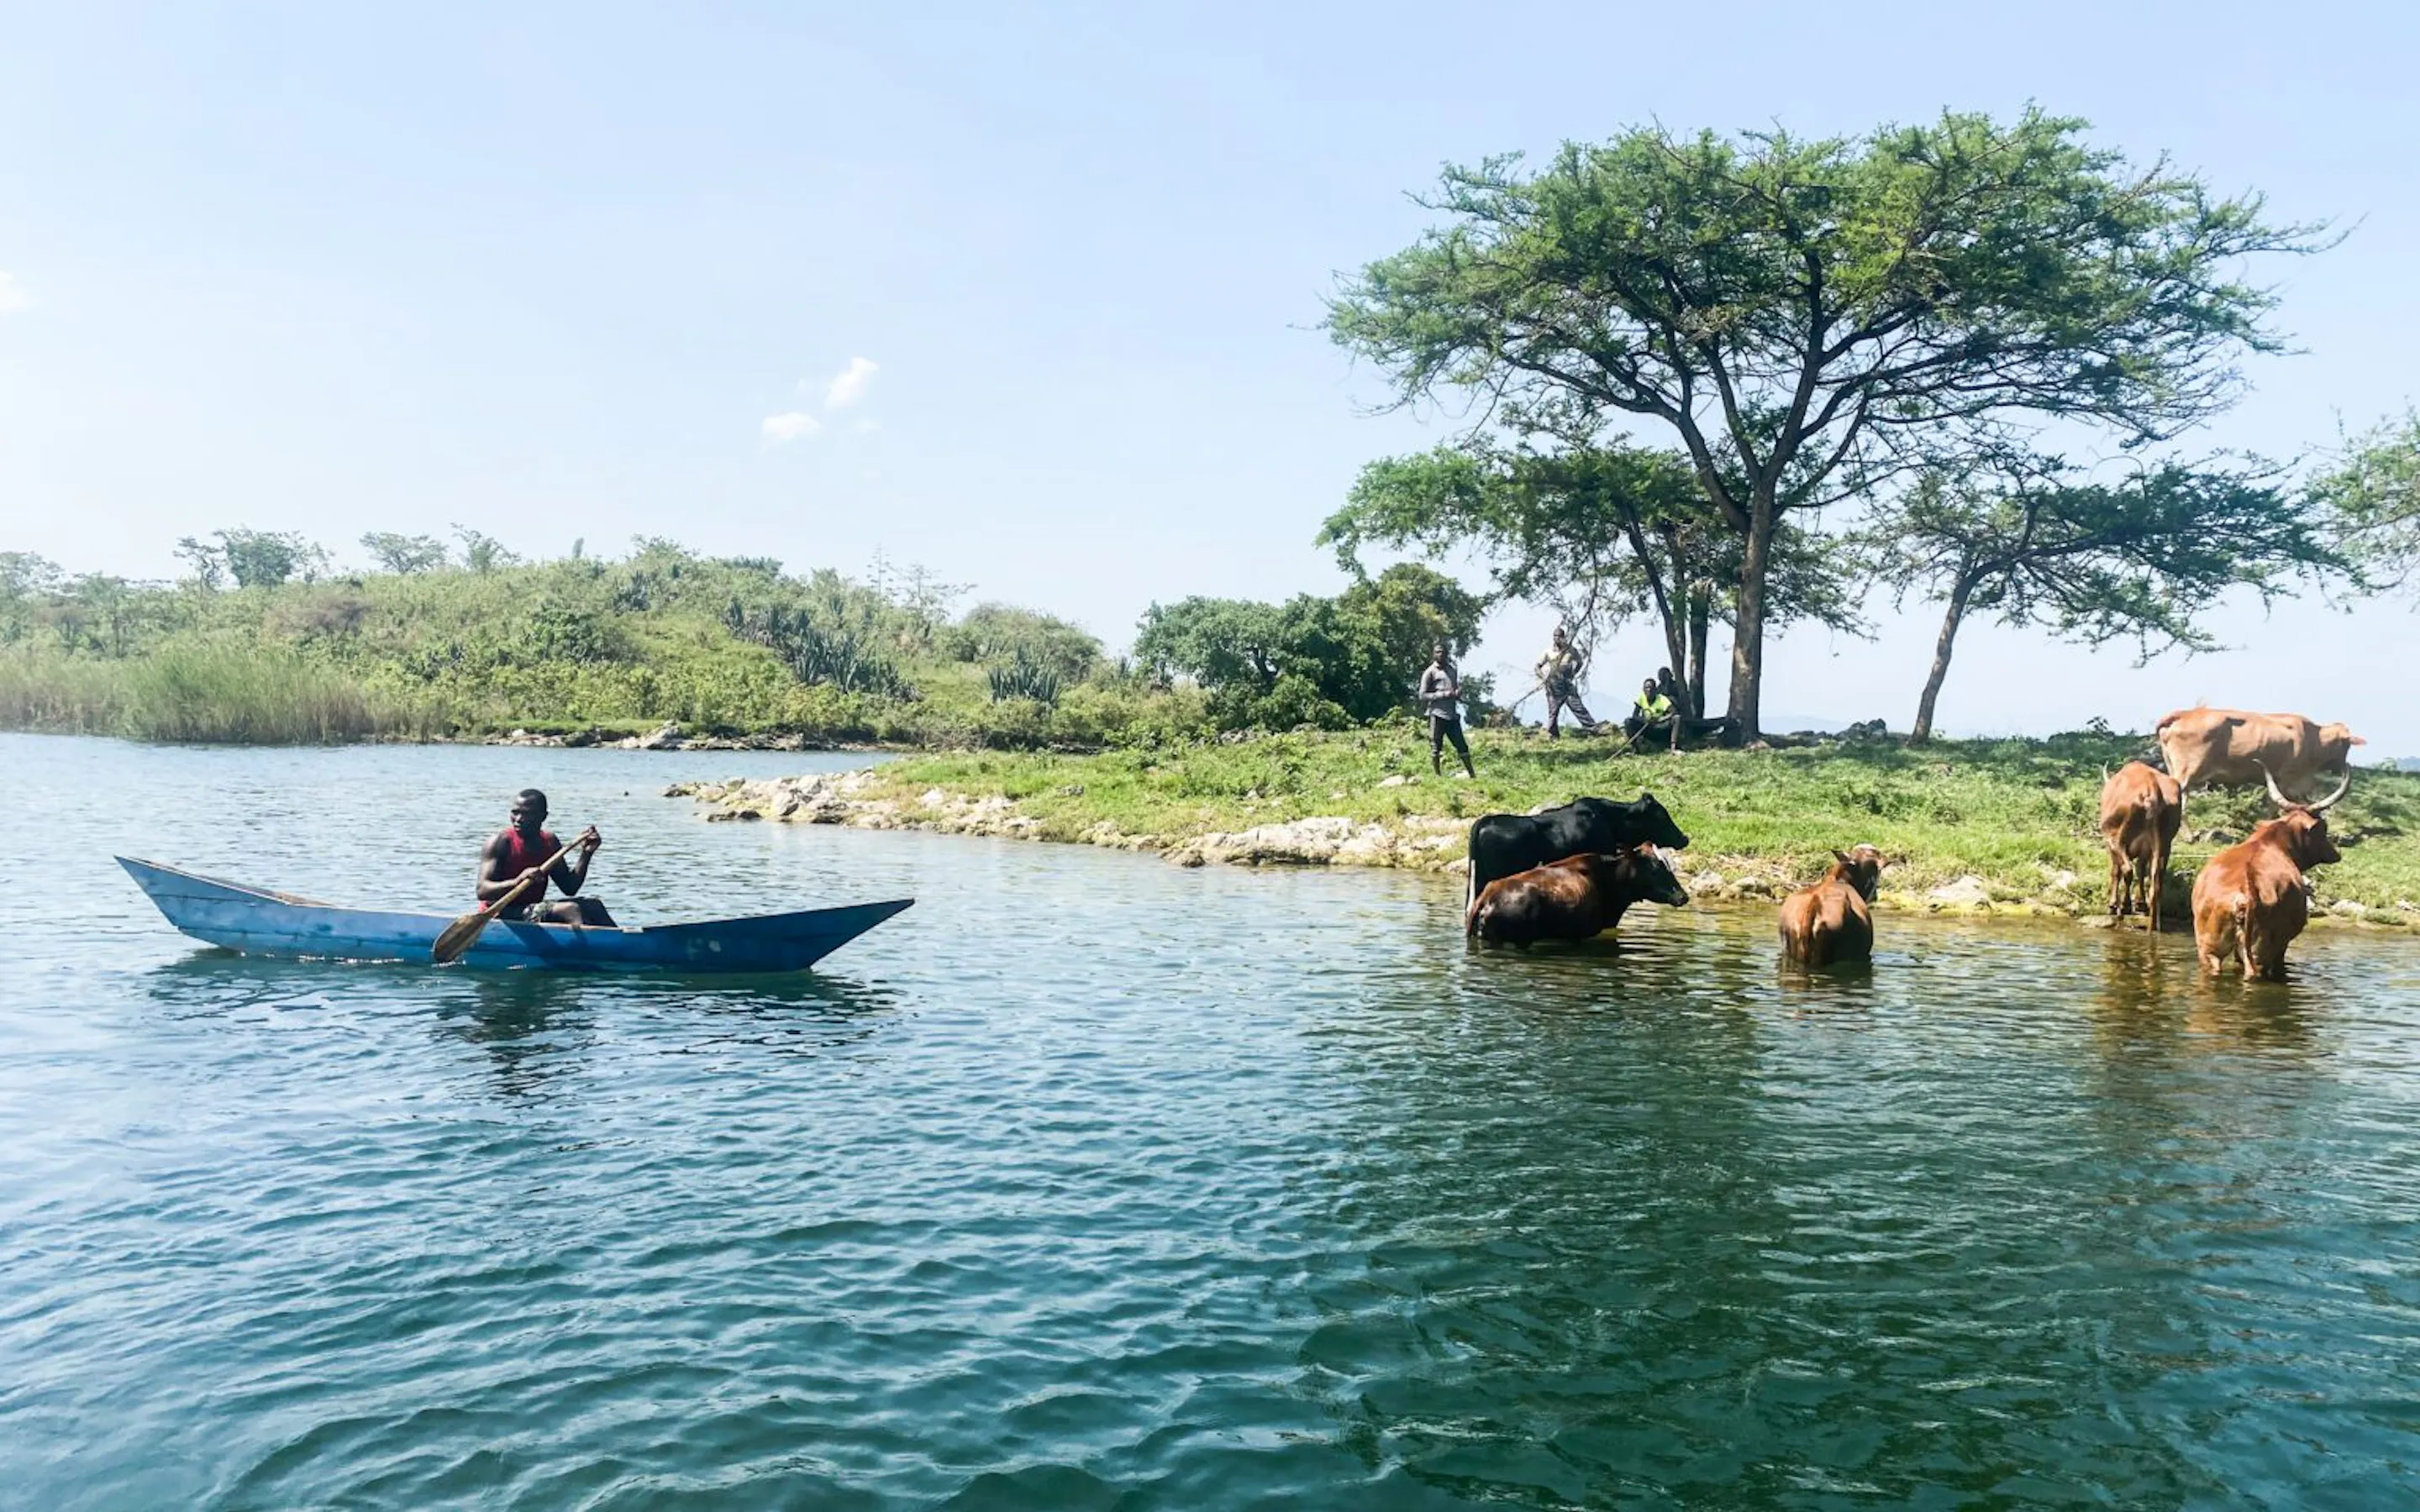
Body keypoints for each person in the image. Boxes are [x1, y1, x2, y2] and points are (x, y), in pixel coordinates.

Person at [476, 788, 614, 926]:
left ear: (543, 816)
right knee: (570, 910)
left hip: (531, 908)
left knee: (594, 906)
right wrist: (517, 881)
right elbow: (482, 891)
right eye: (515, 812)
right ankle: (588, 946)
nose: (518, 819)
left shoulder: (549, 842)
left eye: (527, 814)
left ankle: (623, 944)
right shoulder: (500, 842)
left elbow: (569, 888)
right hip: (501, 913)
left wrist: (586, 854)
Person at [1418, 641, 1476, 779]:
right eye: (1438, 652)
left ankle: (1472, 774)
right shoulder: (1430, 672)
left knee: (1462, 746)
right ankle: (1437, 775)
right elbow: (1422, 695)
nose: (1441, 654)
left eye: (1443, 652)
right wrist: (1442, 695)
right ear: (1433, 654)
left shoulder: (1452, 670)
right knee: (1436, 746)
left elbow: (1454, 688)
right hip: (1437, 713)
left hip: (1452, 714)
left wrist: (1457, 694)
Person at [1534, 626, 1598, 738]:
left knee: (1578, 707)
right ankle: (1553, 735)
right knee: (1553, 712)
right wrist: (1543, 678)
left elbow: (1579, 662)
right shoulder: (1548, 652)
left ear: (1564, 637)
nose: (1557, 639)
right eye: (1555, 636)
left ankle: (1593, 729)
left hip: (1567, 684)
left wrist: (1573, 674)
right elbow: (1537, 666)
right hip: (1553, 686)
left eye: (1559, 636)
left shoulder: (1570, 650)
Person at [1623, 678, 1676, 745]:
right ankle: (1636, 748)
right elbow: (1635, 715)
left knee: (1677, 718)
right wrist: (1644, 720)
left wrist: (1660, 719)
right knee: (1628, 721)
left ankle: (1673, 747)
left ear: (1656, 690)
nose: (1649, 690)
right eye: (1646, 688)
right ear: (1643, 690)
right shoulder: (1641, 698)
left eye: (1651, 688)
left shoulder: (1661, 699)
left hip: (1659, 727)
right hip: (1647, 727)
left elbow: (1673, 712)